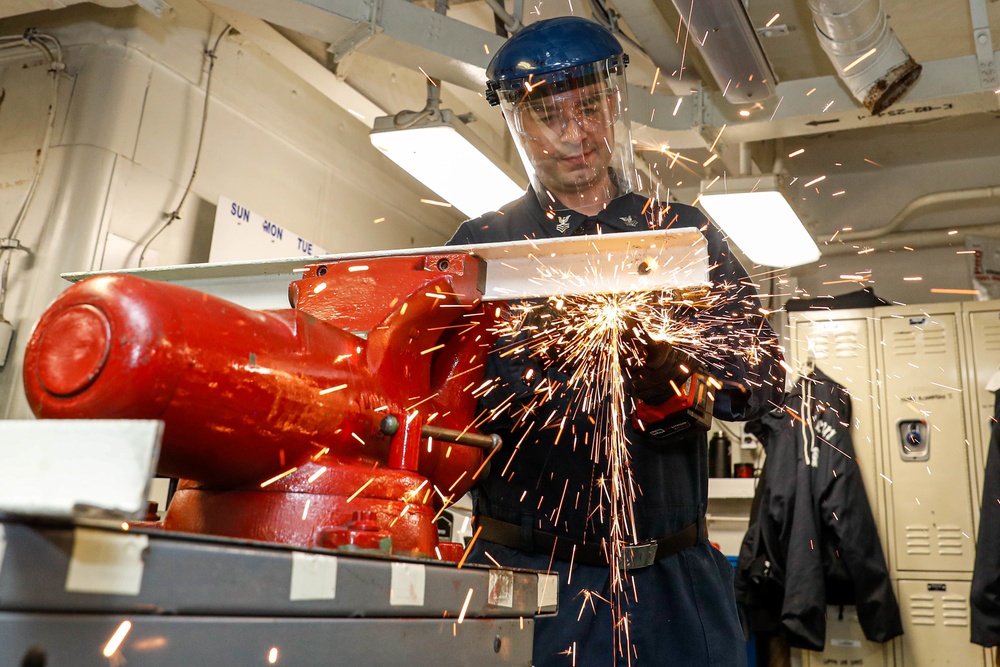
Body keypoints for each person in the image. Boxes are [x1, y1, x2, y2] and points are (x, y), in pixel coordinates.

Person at [447, 16, 785, 666]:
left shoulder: (681, 235)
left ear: (616, 105)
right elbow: (461, 404)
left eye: (593, 107)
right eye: (551, 115)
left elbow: (760, 376)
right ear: (518, 123)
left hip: (672, 586)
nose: (577, 134)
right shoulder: (486, 249)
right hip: (536, 584)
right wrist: (562, 376)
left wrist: (684, 373)